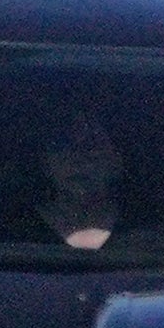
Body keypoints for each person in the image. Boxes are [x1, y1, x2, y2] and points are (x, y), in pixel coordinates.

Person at [27, 108, 128, 253]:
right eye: (63, 147)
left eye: (91, 146)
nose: (77, 160)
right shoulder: (11, 229)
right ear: (46, 163)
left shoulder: (152, 229)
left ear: (117, 160)